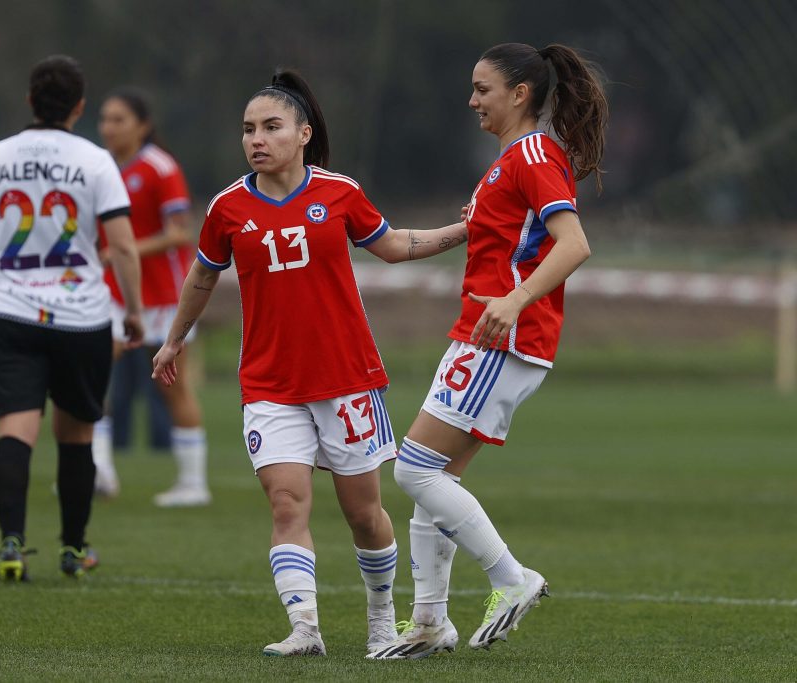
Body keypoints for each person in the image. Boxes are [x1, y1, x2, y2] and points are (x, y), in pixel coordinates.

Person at [152, 69, 468, 656]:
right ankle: (306, 629)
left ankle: (381, 622)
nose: (256, 139)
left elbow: (394, 246)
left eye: (271, 127)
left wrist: (465, 229)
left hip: (345, 378)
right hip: (270, 382)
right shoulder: (227, 208)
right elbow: (201, 274)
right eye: (248, 129)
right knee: (286, 501)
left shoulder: (339, 192)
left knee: (363, 512)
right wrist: (173, 340)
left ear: (302, 134)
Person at [368, 43, 606, 660]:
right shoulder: (508, 161)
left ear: (519, 94)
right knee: (434, 478)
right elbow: (485, 235)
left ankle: (512, 578)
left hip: (501, 336)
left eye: (482, 88)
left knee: (413, 468)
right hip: (486, 333)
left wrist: (514, 299)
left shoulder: (531, 154)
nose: (472, 100)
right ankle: (428, 624)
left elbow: (574, 243)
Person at [0, 55, 143, 581]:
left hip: (12, 311)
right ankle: (73, 549)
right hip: (81, 317)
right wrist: (132, 312)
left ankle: (11, 544)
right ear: (80, 106)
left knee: (15, 431)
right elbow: (123, 247)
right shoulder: (95, 160)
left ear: (29, 100)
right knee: (76, 436)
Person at [94, 87, 210, 506]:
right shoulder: (98, 166)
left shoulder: (160, 167)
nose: (108, 127)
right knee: (93, 376)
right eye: (104, 118)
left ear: (142, 125)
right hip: (113, 295)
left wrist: (125, 250)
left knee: (172, 389)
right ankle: (100, 473)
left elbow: (181, 231)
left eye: (119, 119)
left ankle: (194, 484)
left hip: (163, 297)